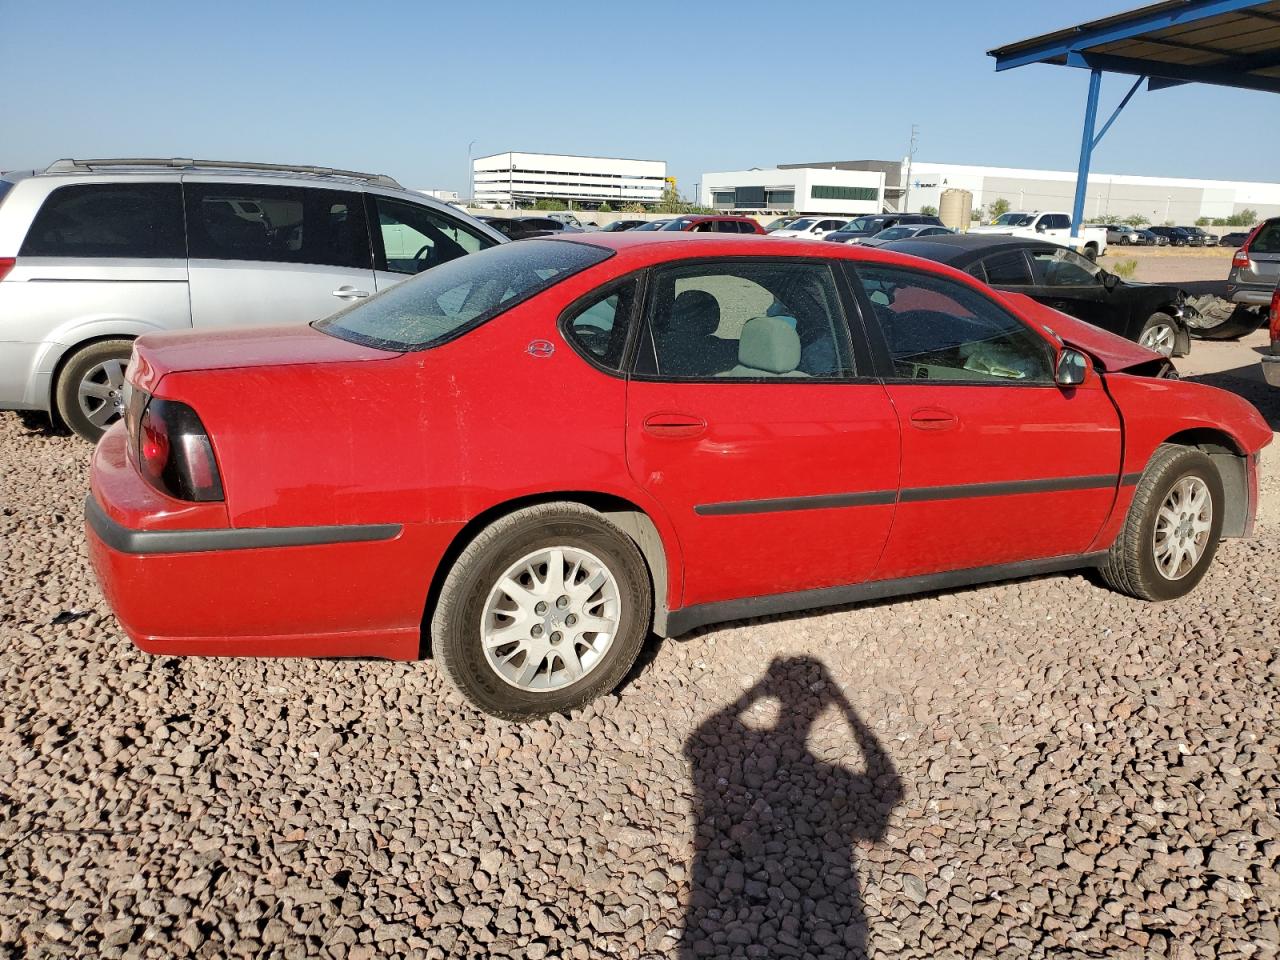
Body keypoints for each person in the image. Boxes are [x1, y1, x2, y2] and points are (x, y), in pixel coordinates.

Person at [681, 656, 902, 958]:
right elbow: (886, 793)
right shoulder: (832, 777)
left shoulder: (737, 750)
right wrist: (850, 713)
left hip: (703, 899)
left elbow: (696, 742)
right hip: (842, 904)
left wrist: (758, 691)